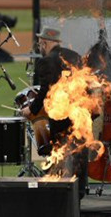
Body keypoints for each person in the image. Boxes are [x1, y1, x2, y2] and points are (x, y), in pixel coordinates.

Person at [21, 26, 82, 154]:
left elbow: (45, 90)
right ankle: (81, 174)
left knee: (61, 153)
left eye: (40, 43)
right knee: (79, 151)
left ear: (44, 42)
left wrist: (31, 109)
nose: (39, 46)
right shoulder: (75, 56)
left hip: (60, 116)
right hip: (79, 113)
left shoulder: (45, 61)